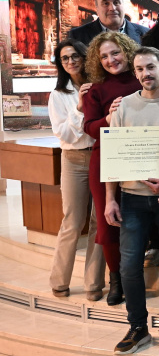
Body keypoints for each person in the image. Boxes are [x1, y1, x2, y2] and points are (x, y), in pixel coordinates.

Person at [104, 47, 159, 355]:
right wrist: (111, 199)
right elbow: (113, 157)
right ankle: (137, 326)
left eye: (150, 67)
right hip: (132, 198)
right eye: (139, 69)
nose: (145, 74)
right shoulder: (123, 106)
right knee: (128, 265)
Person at [82, 31, 142, 306]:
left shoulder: (144, 78)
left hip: (142, 154)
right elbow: (90, 128)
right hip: (105, 158)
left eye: (115, 52)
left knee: (141, 217)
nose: (110, 60)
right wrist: (108, 117)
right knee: (110, 221)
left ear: (127, 51)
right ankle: (115, 278)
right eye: (103, 56)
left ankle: (134, 274)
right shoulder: (97, 89)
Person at [48, 39, 105, 301]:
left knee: (98, 220)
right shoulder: (59, 95)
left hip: (100, 156)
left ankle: (94, 283)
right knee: (72, 221)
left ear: (85, 56)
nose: (71, 61)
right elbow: (66, 135)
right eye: (64, 58)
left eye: (75, 56)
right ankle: (59, 280)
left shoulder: (99, 86)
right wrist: (79, 109)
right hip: (72, 159)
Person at [70, 0, 148, 45]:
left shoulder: (145, 34)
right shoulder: (77, 36)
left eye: (116, 2)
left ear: (123, 6)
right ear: (97, 9)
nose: (112, 8)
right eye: (106, 3)